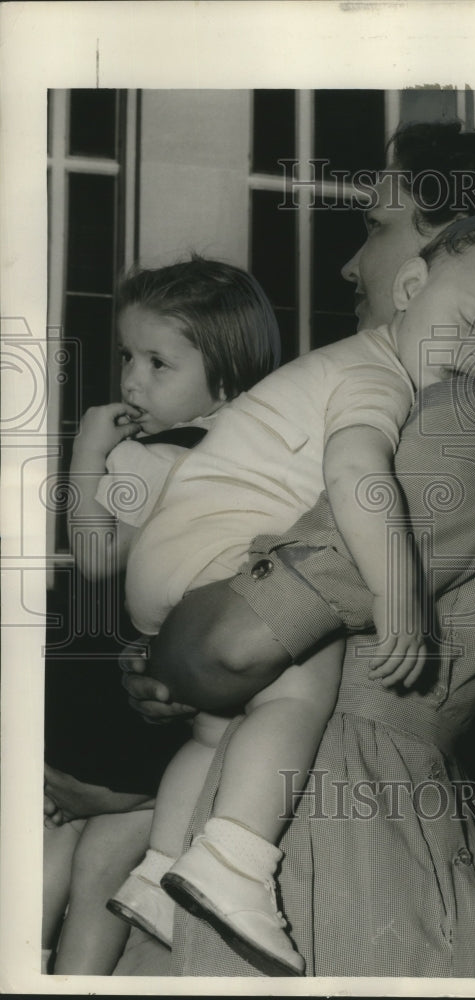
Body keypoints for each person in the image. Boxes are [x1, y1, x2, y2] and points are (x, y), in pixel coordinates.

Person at [115, 119, 475, 978]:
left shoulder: (465, 412)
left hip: (332, 824)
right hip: (307, 797)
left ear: (456, 242)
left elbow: (230, 644)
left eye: (376, 226)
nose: (351, 265)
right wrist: (168, 659)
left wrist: (176, 654)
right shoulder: (450, 404)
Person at [43, 257, 280, 975]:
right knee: (101, 871)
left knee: (55, 845)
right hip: (172, 707)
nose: (132, 381)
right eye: (127, 356)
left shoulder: (153, 460)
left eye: (157, 363)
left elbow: (94, 557)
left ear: (226, 377)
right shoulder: (249, 458)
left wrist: (88, 451)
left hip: (101, 700)